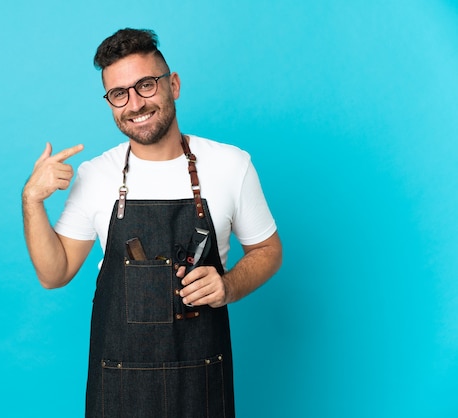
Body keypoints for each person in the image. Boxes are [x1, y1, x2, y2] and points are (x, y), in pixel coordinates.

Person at [22, 28, 282, 418]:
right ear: (110, 102)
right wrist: (32, 201)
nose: (134, 104)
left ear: (172, 84)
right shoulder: (96, 175)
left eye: (145, 85)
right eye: (118, 94)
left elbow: (268, 251)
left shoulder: (231, 165)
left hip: (201, 382)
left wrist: (227, 286)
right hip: (120, 385)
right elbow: (53, 274)